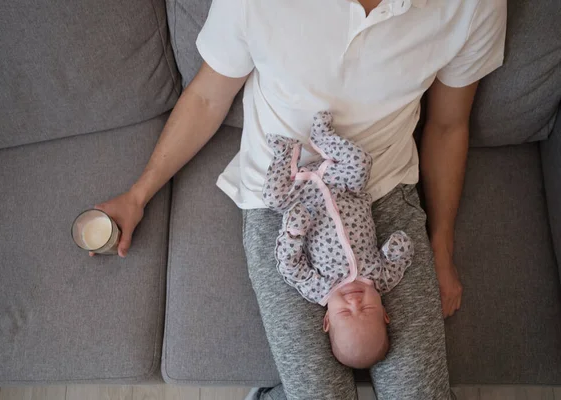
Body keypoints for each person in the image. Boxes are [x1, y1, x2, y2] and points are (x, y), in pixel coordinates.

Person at [92, 0, 506, 398]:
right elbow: (206, 98)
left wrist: (442, 242)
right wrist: (138, 194)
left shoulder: (472, 5)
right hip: (284, 205)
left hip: (385, 195)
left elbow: (449, 124)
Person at [263, 111, 414, 370]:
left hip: (304, 200)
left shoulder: (318, 289)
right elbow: (402, 254)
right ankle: (323, 138)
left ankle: (285, 153)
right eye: (366, 310)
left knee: (272, 198)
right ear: (384, 313)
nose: (355, 303)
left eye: (345, 313)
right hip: (346, 189)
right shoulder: (382, 279)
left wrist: (293, 233)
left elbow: (289, 265)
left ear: (327, 321)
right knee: (360, 161)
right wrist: (398, 248)